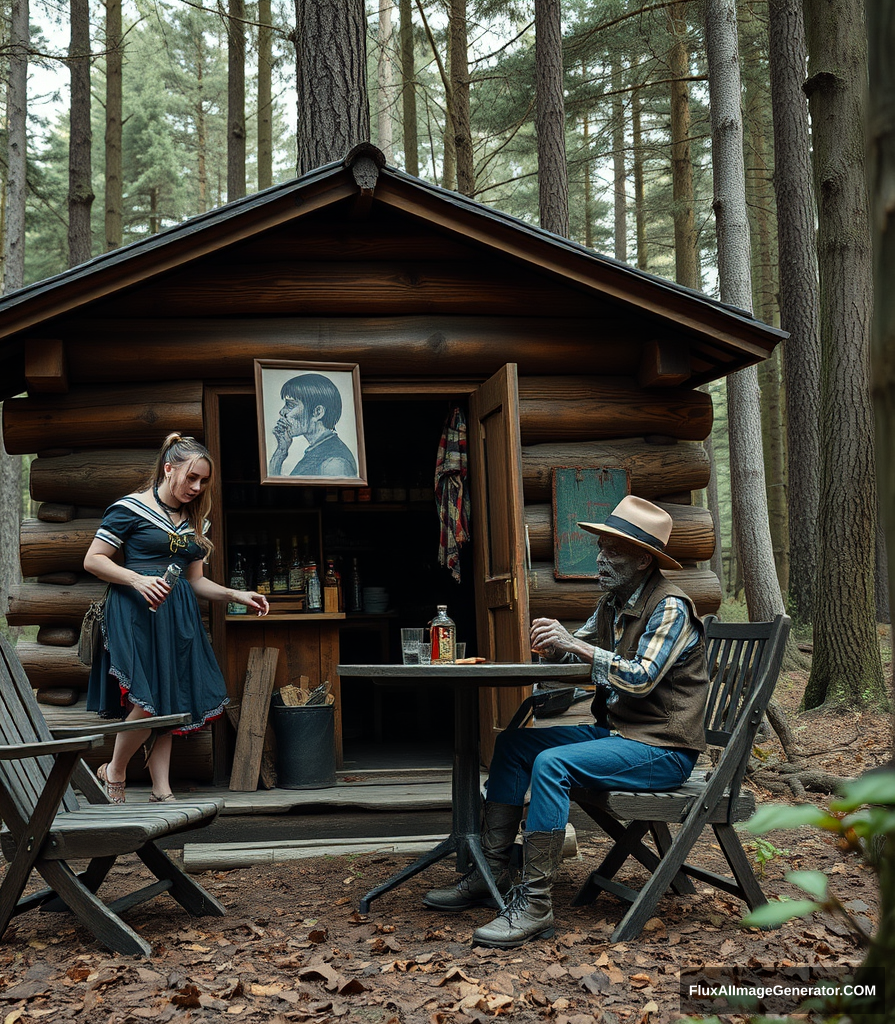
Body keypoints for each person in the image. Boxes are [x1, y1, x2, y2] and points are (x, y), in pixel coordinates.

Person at [424, 495, 709, 949]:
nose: (600, 556)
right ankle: (490, 873)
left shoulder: (670, 606)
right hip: (621, 735)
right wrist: (555, 645)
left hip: (663, 749)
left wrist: (576, 648)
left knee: (552, 764)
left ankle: (535, 905)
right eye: (601, 546)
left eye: (613, 549)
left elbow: (639, 679)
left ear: (642, 558)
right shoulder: (613, 601)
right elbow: (578, 651)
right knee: (514, 746)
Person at [84, 433, 269, 802]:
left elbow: (195, 581)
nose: (197, 487)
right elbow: (93, 560)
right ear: (168, 469)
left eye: (203, 481)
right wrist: (137, 578)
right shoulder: (129, 508)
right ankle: (115, 771)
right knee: (145, 698)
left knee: (169, 694)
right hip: (133, 611)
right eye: (191, 478)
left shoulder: (196, 522)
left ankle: (161, 788)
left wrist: (235, 594)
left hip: (176, 616)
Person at [268, 373, 358, 477]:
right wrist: (281, 451)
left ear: (318, 412)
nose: (282, 412)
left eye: (290, 405)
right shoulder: (318, 450)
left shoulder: (334, 463)